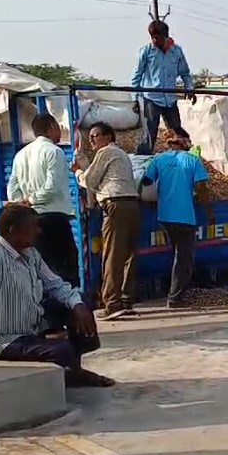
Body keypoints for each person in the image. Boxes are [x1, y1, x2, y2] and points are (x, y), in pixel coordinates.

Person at [0, 204, 113, 404]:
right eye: (33, 226)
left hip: (28, 326)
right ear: (14, 231)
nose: (38, 231)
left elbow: (56, 284)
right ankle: (66, 374)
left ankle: (74, 371)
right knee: (62, 350)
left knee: (80, 302)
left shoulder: (30, 253)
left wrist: (78, 306)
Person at [72, 122, 141, 320]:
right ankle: (126, 300)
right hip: (132, 204)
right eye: (90, 136)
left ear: (108, 137)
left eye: (96, 135)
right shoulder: (121, 155)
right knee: (129, 255)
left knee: (112, 255)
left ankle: (112, 303)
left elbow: (90, 181)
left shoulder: (106, 152)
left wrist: (77, 172)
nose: (92, 139)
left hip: (115, 206)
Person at [7, 114, 79, 287]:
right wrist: (31, 200)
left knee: (39, 267)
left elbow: (13, 185)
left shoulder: (21, 154)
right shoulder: (54, 152)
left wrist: (19, 203)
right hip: (53, 218)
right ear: (51, 128)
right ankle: (66, 307)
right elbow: (51, 187)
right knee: (63, 268)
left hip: (31, 218)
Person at [138, 131, 209, 308]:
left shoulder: (159, 159)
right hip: (185, 216)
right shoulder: (193, 160)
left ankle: (174, 291)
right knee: (184, 258)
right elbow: (201, 187)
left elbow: (146, 181)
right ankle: (175, 297)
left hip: (165, 216)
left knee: (177, 254)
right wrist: (209, 211)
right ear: (185, 142)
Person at [131, 20, 195, 154]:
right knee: (149, 134)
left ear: (166, 36)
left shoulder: (176, 52)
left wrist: (189, 88)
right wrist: (135, 99)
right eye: (152, 37)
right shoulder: (146, 52)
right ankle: (142, 162)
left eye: (157, 37)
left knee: (177, 132)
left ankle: (180, 159)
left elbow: (185, 73)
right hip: (151, 98)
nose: (154, 40)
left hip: (170, 99)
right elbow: (136, 76)